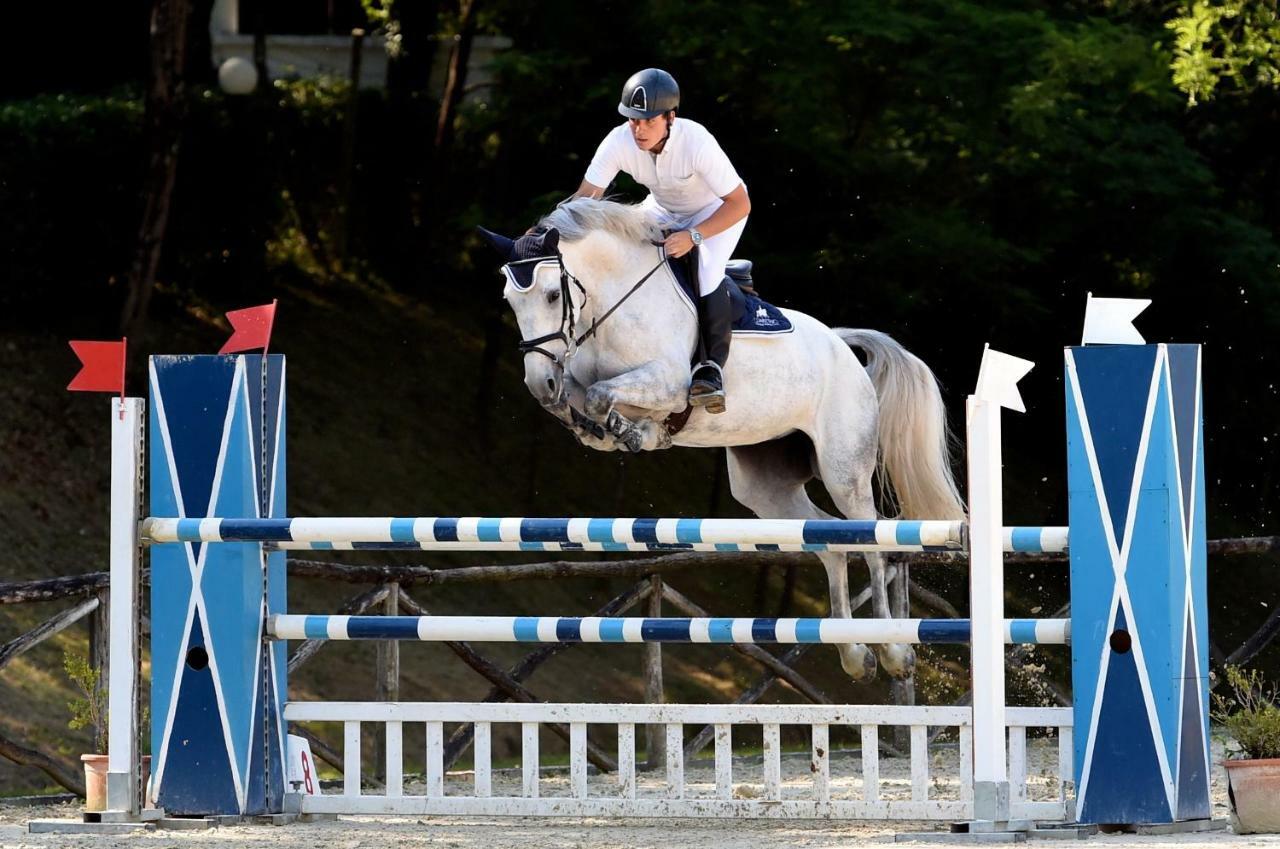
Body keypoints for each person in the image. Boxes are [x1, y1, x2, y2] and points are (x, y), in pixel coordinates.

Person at [572, 68, 750, 414]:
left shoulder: (696, 142)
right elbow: (585, 198)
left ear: (671, 117)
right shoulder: (619, 140)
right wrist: (548, 232)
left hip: (714, 212)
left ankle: (711, 369)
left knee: (707, 270)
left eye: (648, 121)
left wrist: (694, 236)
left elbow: (740, 203)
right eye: (632, 121)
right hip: (663, 209)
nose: (638, 130)